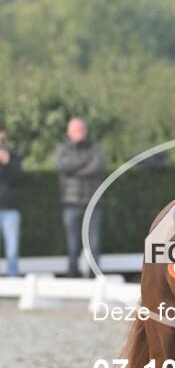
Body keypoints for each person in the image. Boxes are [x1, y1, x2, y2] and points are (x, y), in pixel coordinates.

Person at [53, 118, 106, 277]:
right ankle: (72, 275)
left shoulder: (95, 148)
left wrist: (74, 170)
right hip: (71, 203)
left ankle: (93, 275)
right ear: (69, 132)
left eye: (81, 129)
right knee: (72, 244)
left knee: (94, 244)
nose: (79, 133)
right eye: (76, 130)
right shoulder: (63, 149)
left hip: (93, 204)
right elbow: (62, 165)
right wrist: (84, 162)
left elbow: (97, 166)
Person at [0, 123, 22, 276]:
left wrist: (7, 163)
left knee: (12, 250)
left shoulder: (13, 155)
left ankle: (13, 279)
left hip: (10, 209)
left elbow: (18, 179)